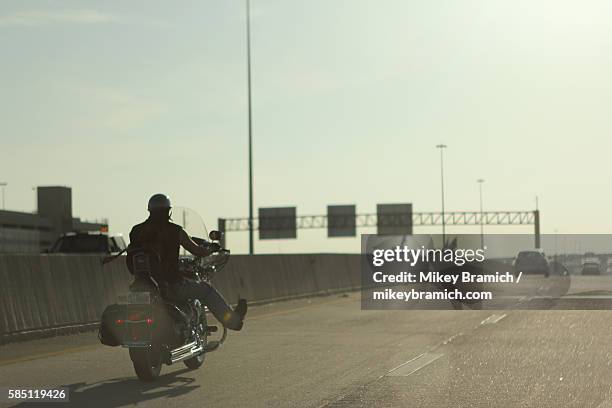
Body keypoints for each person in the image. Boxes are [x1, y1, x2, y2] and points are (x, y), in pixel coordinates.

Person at [129, 193, 247, 330]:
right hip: (170, 286)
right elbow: (197, 251)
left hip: (142, 285)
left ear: (150, 210)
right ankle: (233, 321)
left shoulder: (136, 231)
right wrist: (212, 249)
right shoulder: (174, 230)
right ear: (168, 211)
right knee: (206, 290)